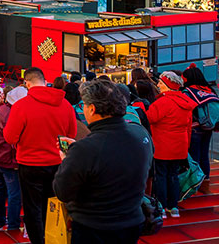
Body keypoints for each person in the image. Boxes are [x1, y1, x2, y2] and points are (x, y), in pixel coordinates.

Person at [52, 79, 153, 244]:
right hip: (131, 222)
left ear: (92, 109)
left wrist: (67, 160)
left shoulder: (86, 149)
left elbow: (63, 191)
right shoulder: (140, 138)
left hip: (94, 228)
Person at [2, 67, 78, 243]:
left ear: (27, 83)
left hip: (29, 164)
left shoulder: (21, 106)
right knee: (52, 204)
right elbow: (71, 134)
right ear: (44, 81)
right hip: (57, 163)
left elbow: (10, 136)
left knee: (32, 208)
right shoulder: (65, 104)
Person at [147, 71, 197, 218]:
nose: (158, 85)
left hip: (162, 144)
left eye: (161, 83)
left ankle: (161, 206)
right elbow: (188, 127)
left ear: (168, 86)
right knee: (173, 175)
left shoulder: (162, 102)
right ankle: (173, 206)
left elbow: (150, 118)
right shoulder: (186, 103)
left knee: (161, 176)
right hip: (179, 145)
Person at [0, 85, 25, 234]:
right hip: (9, 160)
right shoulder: (13, 114)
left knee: (0, 190)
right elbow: (13, 141)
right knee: (14, 194)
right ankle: (13, 225)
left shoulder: (0, 110)